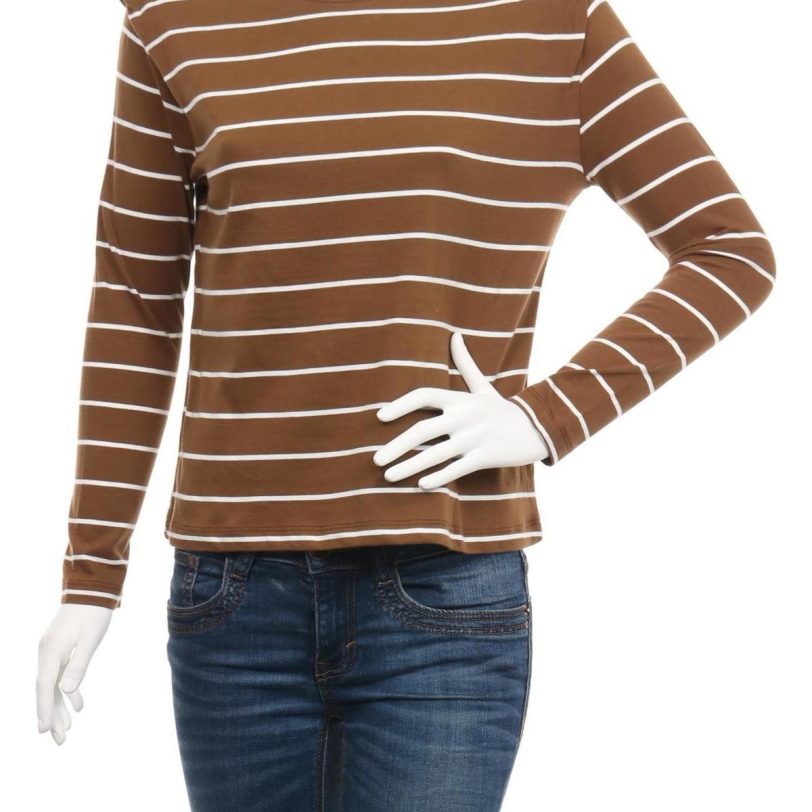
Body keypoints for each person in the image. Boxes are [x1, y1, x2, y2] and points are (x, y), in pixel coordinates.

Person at [37, 1, 776, 809]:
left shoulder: (557, 24)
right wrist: (92, 572)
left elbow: (729, 250)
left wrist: (545, 417)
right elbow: (135, 300)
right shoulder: (171, 17)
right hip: (233, 597)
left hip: (444, 586)